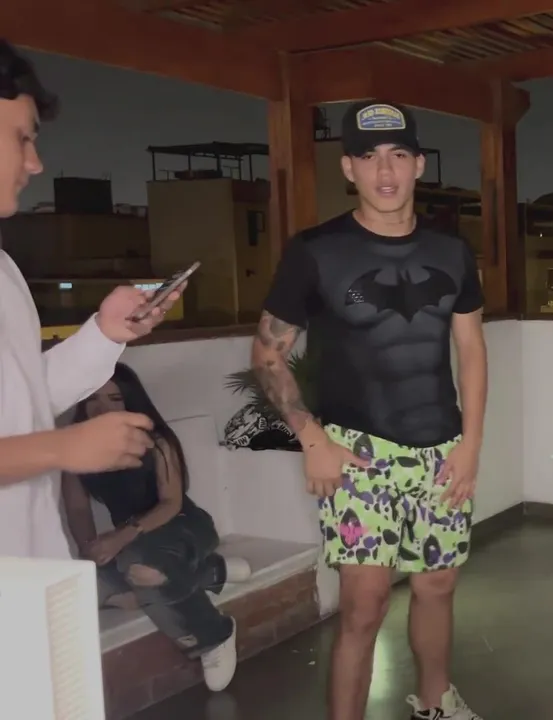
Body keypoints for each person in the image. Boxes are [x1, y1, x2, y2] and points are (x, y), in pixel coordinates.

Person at [251, 100, 488, 720]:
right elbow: (268, 355)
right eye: (369, 156)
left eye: (399, 155)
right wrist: (312, 438)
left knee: (437, 585)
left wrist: (470, 444)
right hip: (356, 451)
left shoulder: (451, 250)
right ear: (348, 168)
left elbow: (471, 350)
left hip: (441, 446)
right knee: (364, 603)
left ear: (419, 165)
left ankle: (436, 703)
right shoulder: (316, 251)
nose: (386, 171)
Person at [0, 39, 184, 558]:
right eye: (22, 138)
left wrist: (104, 333)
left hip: (31, 569)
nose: (35, 163)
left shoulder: (5, 271)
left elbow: (25, 402)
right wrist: (60, 447)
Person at [62, 364, 249, 691]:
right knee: (73, 594)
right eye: (93, 399)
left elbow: (170, 503)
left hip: (181, 527)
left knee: (142, 569)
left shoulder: (156, 441)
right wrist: (90, 549)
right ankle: (207, 572)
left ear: (130, 401)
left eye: (115, 398)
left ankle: (213, 635)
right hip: (131, 543)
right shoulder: (76, 449)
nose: (102, 408)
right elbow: (77, 508)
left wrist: (120, 538)